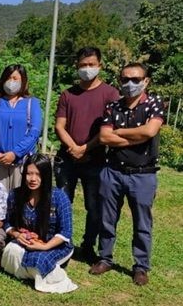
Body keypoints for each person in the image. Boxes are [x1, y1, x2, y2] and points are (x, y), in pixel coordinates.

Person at [90, 63, 165, 286]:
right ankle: (105, 258)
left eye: (136, 79)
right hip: (112, 172)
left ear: (146, 81)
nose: (130, 84)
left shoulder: (154, 103)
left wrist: (120, 132)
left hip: (143, 174)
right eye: (125, 79)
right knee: (107, 219)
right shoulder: (112, 106)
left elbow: (150, 131)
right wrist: (136, 138)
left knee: (142, 223)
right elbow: (105, 137)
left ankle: (141, 266)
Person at [53, 47, 120, 262]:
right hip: (67, 159)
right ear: (76, 66)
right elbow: (59, 126)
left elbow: (110, 129)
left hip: (96, 159)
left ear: (100, 65)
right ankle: (62, 242)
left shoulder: (110, 94)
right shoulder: (68, 94)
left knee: (94, 206)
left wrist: (85, 148)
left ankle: (88, 245)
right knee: (63, 202)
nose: (87, 69)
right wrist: (74, 148)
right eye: (83, 65)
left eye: (91, 64)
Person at [2, 154, 77, 293]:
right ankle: (38, 271)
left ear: (46, 175)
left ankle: (43, 270)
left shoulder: (59, 197)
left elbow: (66, 232)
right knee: (10, 251)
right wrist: (17, 235)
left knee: (38, 259)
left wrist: (44, 246)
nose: (33, 179)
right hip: (28, 243)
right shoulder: (15, 195)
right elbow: (7, 223)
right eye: (29, 174)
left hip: (54, 245)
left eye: (38, 174)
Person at [0, 64, 42, 191]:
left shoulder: (32, 103)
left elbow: (34, 132)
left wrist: (15, 153)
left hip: (22, 164)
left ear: (23, 81)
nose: (11, 81)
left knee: (21, 199)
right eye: (8, 78)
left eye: (15, 78)